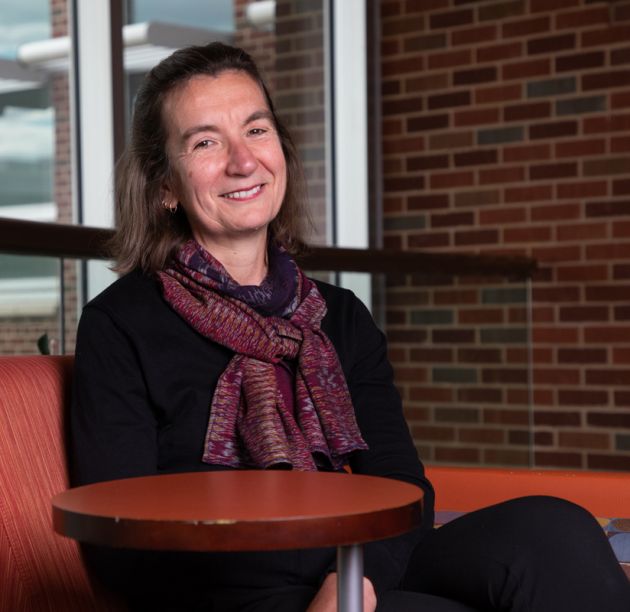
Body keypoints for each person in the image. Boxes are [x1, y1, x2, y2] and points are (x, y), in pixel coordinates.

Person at [70, 41, 630, 612]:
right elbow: (120, 537)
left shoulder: (339, 317)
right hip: (236, 594)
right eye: (206, 142)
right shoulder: (121, 323)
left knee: (552, 527)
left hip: (362, 565)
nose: (243, 161)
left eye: (256, 130)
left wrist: (353, 581)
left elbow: (402, 488)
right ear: (165, 186)